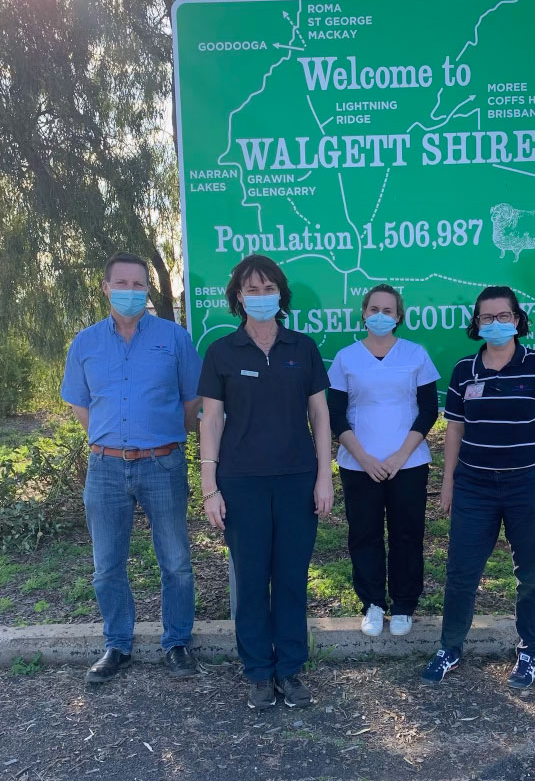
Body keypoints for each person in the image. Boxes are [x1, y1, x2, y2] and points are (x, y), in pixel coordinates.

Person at [197, 254, 332, 711]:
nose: (261, 296)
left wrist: (324, 476)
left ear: (281, 294)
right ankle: (258, 672)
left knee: (292, 579)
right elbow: (210, 420)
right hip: (242, 482)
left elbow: (320, 415)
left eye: (268, 288)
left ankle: (291, 671)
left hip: (297, 481)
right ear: (238, 296)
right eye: (251, 289)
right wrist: (209, 484)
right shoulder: (221, 352)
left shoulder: (303, 348)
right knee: (252, 581)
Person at [61, 251, 202, 683]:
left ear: (147, 291)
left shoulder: (174, 338)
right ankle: (116, 645)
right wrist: (111, 441)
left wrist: (158, 438)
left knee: (176, 561)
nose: (130, 291)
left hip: (162, 464)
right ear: (105, 288)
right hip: (104, 468)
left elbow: (192, 402)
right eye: (121, 284)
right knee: (106, 565)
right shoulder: (85, 342)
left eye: (138, 284)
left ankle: (176, 642)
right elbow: (80, 403)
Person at [421, 286, 535, 689]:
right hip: (474, 486)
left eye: (503, 316)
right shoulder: (463, 371)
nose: (495, 324)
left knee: (532, 574)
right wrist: (448, 484)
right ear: (476, 323)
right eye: (486, 318)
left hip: (531, 483)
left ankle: (528, 653)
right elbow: (454, 431)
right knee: (461, 572)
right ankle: (449, 648)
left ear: (518, 320)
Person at [327, 284, 439, 637]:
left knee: (407, 534)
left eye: (388, 310)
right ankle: (373, 603)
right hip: (358, 465)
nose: (380, 316)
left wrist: (399, 456)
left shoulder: (415, 354)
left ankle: (404, 604)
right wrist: (364, 457)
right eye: (373, 309)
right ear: (363, 314)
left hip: (408, 463)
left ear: (399, 317)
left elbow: (429, 411)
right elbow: (335, 415)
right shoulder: (346, 358)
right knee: (365, 534)